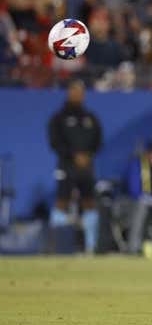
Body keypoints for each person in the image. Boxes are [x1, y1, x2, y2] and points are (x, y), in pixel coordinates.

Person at [48, 80, 102, 253]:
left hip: (86, 167)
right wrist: (73, 155)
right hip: (66, 165)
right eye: (74, 91)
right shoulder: (58, 118)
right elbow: (55, 142)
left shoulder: (91, 118)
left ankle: (90, 247)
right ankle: (57, 245)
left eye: (80, 91)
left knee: (89, 203)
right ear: (68, 93)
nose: (77, 95)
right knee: (62, 202)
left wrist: (88, 155)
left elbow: (98, 141)